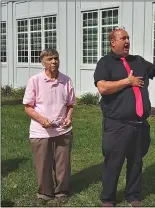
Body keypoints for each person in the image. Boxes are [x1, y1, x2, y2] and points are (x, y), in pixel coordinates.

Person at [94, 26, 155, 207]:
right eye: (123, 38)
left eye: (128, 38)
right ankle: (108, 199)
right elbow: (102, 87)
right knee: (114, 163)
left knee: (136, 161)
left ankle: (133, 196)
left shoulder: (138, 61)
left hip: (139, 124)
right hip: (117, 125)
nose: (127, 41)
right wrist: (128, 81)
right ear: (113, 42)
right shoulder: (105, 63)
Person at [23, 48, 75, 206]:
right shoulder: (35, 80)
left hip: (62, 130)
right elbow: (28, 106)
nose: (54, 62)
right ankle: (45, 193)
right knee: (43, 163)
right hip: (41, 131)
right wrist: (42, 119)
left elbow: (70, 104)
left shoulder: (66, 80)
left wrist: (68, 117)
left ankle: (61, 191)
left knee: (63, 164)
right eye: (50, 59)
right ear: (42, 62)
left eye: (56, 58)